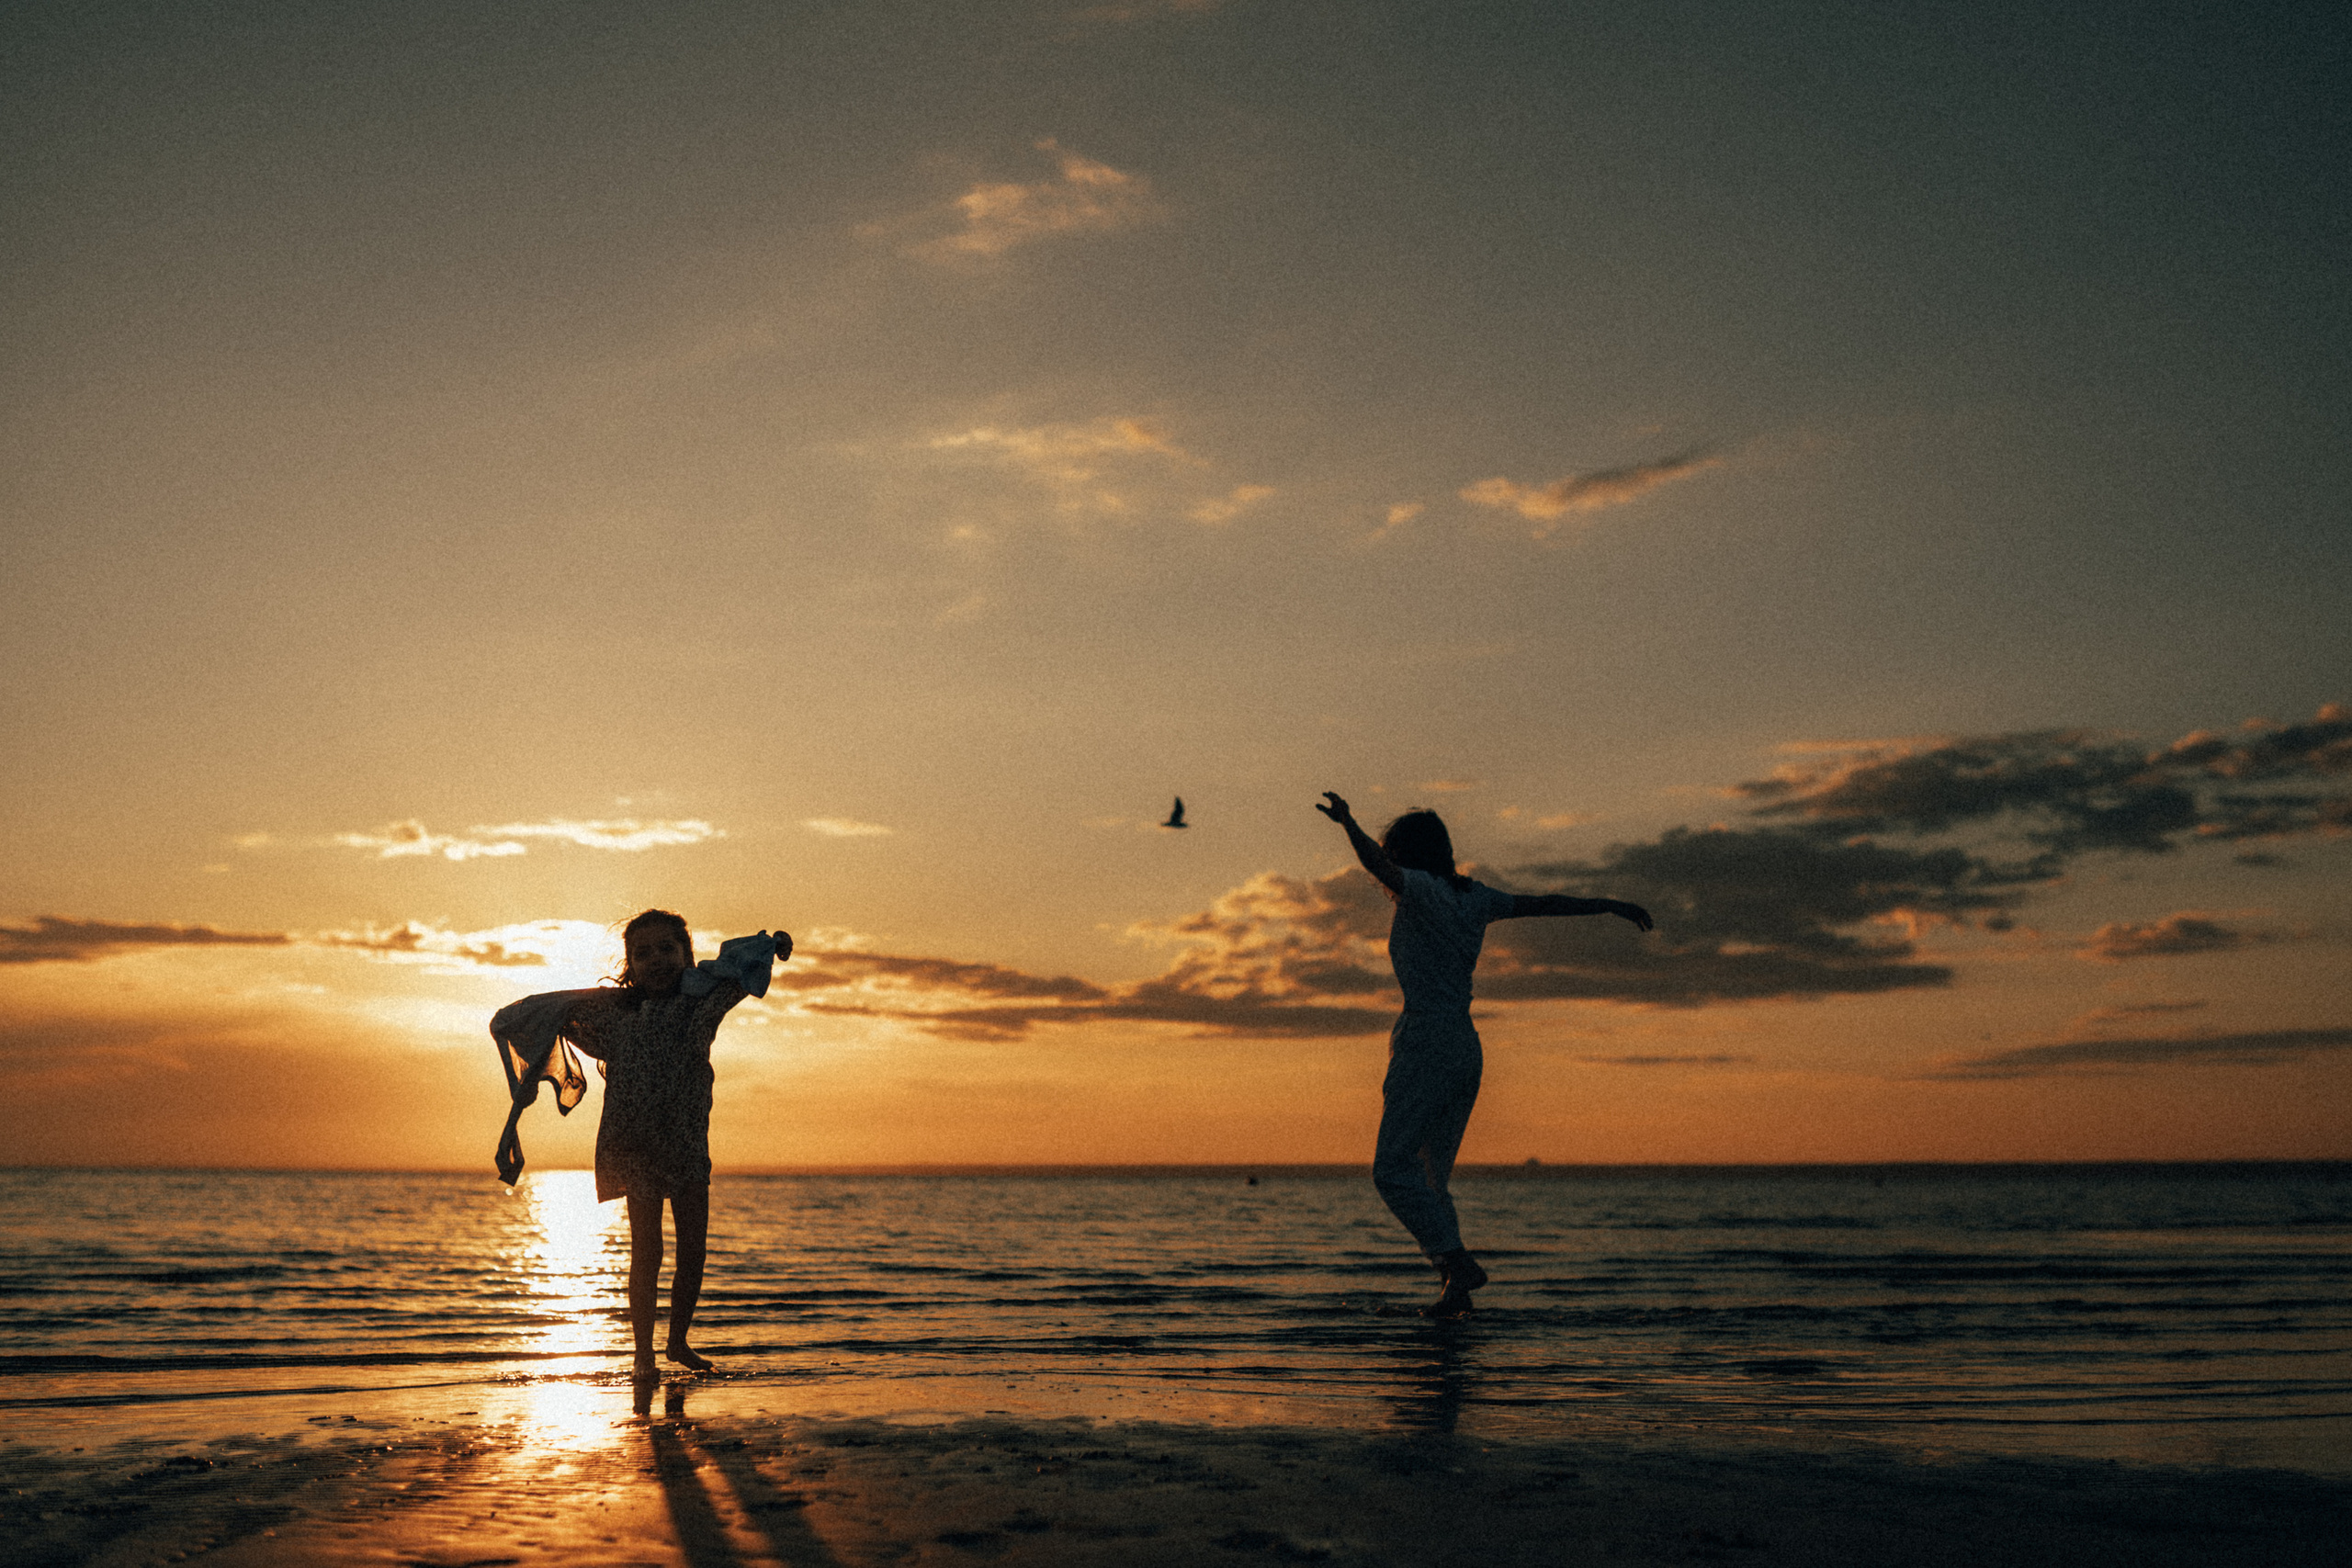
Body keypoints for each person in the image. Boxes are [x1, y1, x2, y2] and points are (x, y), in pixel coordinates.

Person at [1317, 793, 1652, 1318]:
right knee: (1431, 1177)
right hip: (1464, 1046)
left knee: (1392, 1170)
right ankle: (1456, 1293)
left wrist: (1348, 825)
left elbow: (1375, 864)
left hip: (1426, 1039)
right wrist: (1610, 904)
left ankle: (1454, 1261)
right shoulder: (1475, 897)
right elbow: (1544, 903)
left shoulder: (1422, 891)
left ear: (1408, 854)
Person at [492, 910, 791, 1382]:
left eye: (667, 949)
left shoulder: (701, 1003)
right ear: (629, 963)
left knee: (694, 1249)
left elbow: (741, 970)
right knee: (646, 1251)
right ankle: (643, 1354)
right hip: (632, 1147)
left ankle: (677, 1341)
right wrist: (513, 1020)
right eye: (643, 952)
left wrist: (771, 945)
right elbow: (550, 1014)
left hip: (687, 1140)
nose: (656, 960)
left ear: (686, 955)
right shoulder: (612, 1016)